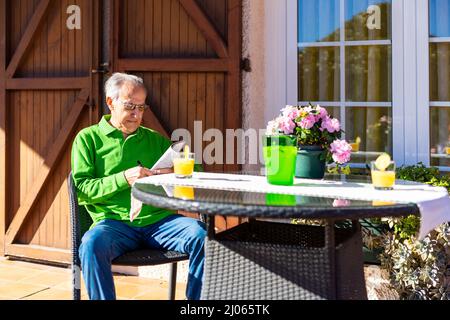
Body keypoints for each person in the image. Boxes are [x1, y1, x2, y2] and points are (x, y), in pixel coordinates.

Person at [71, 72, 206, 300]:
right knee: (91, 245)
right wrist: (123, 177)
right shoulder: (88, 139)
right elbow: (83, 189)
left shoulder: (154, 139)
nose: (136, 114)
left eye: (142, 108)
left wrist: (172, 172)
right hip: (113, 225)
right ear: (110, 102)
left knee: (203, 237)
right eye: (130, 106)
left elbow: (197, 172)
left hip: (160, 222)